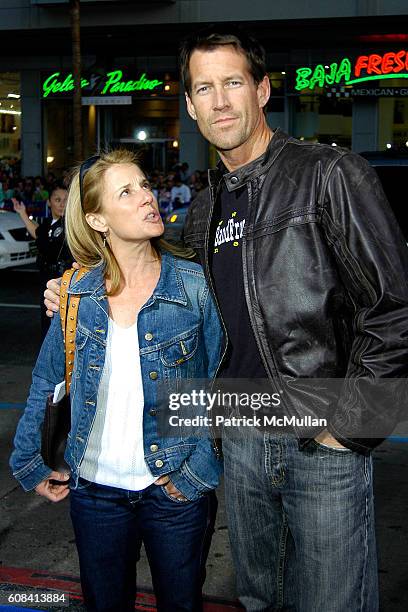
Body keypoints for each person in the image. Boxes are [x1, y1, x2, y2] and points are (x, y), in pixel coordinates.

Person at [44, 28, 408, 612]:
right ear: (189, 105)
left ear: (262, 90)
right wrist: (72, 286)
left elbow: (394, 309)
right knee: (260, 598)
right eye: (203, 88)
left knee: (333, 603)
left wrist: (349, 432)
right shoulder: (207, 205)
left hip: (319, 438)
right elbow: (153, 281)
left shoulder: (328, 174)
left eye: (233, 82)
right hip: (238, 439)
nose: (218, 101)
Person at [11, 148, 223, 612]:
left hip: (175, 487)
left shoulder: (193, 285)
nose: (147, 197)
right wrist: (30, 461)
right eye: (126, 192)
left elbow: (215, 388)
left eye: (144, 185)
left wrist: (196, 471)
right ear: (98, 220)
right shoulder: (74, 294)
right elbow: (48, 380)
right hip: (95, 492)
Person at [13, 182, 72, 339]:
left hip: (62, 279)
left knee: (61, 325)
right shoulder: (48, 224)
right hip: (46, 278)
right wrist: (22, 213)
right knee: (47, 322)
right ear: (49, 202)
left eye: (66, 199)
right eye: (57, 199)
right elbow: (38, 233)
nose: (62, 204)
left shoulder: (71, 225)